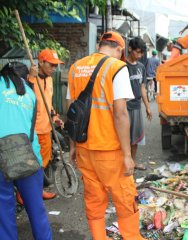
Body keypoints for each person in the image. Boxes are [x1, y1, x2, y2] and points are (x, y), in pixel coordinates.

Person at [67, 31, 145, 240]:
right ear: (120, 49)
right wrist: (128, 155)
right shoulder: (116, 67)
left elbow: (71, 110)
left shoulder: (76, 68)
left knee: (93, 198)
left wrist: (73, 145)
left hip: (84, 147)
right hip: (109, 149)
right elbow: (120, 113)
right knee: (125, 197)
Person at [0, 62, 52, 240]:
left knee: (4, 213)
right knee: (36, 209)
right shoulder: (30, 94)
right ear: (24, 77)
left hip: (1, 158)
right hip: (29, 156)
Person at [26, 48, 65, 201]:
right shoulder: (30, 79)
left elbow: (48, 103)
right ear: (41, 62)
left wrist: (54, 116)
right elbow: (23, 97)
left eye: (56, 66)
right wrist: (30, 79)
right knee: (31, 165)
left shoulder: (49, 80)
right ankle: (23, 194)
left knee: (42, 163)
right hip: (32, 130)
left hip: (46, 128)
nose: (54, 69)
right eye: (51, 65)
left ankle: (37, 191)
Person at [126, 37, 152, 171]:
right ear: (129, 49)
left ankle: (133, 162)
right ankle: (123, 162)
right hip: (123, 108)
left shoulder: (141, 67)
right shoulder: (121, 65)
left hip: (136, 106)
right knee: (123, 137)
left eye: (141, 53)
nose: (140, 55)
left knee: (135, 137)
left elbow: (143, 87)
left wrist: (147, 106)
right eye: (137, 52)